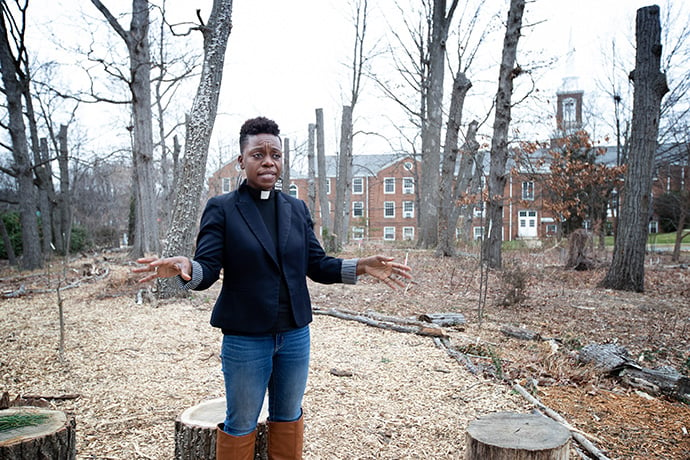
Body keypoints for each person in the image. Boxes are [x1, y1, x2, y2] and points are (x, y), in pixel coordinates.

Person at [134, 116, 412, 460]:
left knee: (288, 417)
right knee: (241, 423)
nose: (268, 161)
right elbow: (208, 268)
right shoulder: (222, 208)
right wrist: (188, 268)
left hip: (295, 335)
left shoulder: (295, 208)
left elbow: (317, 265)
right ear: (242, 160)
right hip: (245, 339)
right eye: (258, 154)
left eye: (275, 154)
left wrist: (360, 267)